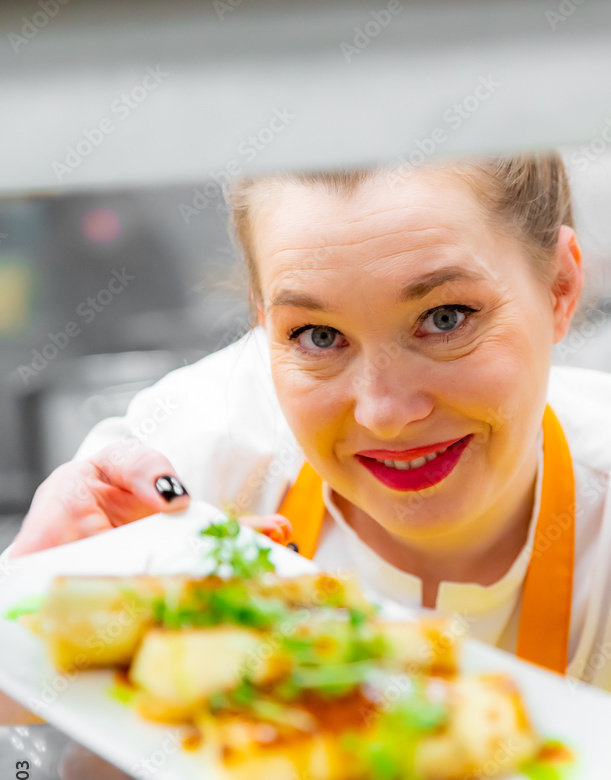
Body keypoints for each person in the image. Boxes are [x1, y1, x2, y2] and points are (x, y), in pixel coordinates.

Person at [6, 152, 611, 692]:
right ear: (262, 320)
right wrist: (27, 613)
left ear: (560, 287)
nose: (384, 414)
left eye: (446, 317)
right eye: (319, 335)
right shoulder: (184, 468)